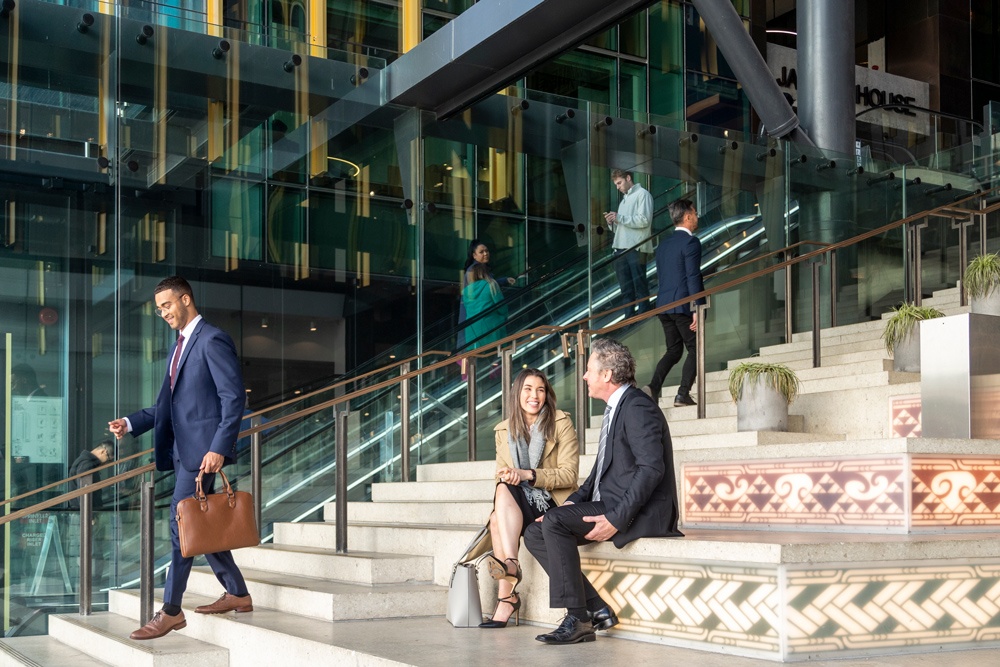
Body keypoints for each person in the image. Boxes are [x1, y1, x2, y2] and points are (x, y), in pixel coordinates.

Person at [108, 276, 252, 641]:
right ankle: (237, 592)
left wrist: (219, 447)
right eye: (159, 309)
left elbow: (233, 398)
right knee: (198, 528)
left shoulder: (211, 339)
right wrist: (129, 423)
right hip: (185, 453)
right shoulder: (181, 345)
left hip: (203, 453)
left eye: (167, 305)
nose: (163, 314)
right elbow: (166, 406)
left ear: (186, 299)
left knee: (181, 527)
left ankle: (171, 611)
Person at [524, 338, 682, 645]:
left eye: (588, 370)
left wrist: (617, 519)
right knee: (535, 531)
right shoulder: (617, 408)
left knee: (554, 523)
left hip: (639, 512)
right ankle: (596, 607)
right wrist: (569, 503)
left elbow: (651, 469)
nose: (584, 376)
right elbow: (597, 474)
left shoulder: (637, 407)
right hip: (610, 502)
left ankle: (579, 618)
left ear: (606, 375)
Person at [479, 369, 580, 629]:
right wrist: (510, 475)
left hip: (552, 501)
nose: (534, 396)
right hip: (518, 499)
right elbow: (500, 473)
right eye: (528, 389)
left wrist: (528, 474)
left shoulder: (560, 422)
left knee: (495, 519)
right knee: (500, 493)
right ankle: (511, 569)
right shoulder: (504, 429)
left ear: (547, 394)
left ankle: (508, 593)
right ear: (517, 394)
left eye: (540, 390)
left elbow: (569, 475)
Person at [642, 198, 704, 407]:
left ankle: (653, 387)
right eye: (694, 213)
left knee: (674, 350)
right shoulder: (691, 242)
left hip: (664, 305)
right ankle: (682, 394)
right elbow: (692, 276)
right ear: (687, 216)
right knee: (696, 348)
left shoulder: (663, 245)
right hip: (683, 305)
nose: (696, 217)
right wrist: (696, 307)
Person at [603, 170, 653, 316]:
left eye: (619, 183)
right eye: (616, 184)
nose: (617, 187)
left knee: (639, 285)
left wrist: (619, 218)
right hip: (621, 248)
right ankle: (629, 319)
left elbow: (644, 220)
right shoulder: (624, 199)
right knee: (626, 289)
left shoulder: (643, 194)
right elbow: (622, 226)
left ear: (628, 178)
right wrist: (612, 222)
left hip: (635, 247)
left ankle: (643, 317)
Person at [457, 239, 515, 349]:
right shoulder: (474, 270)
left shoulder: (473, 272)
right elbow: (487, 290)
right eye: (481, 252)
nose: (486, 254)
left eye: (487, 251)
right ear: (474, 255)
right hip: (489, 326)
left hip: (472, 327)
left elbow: (480, 288)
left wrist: (502, 281)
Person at [461, 263, 508, 349]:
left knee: (479, 358)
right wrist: (505, 316)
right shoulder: (491, 284)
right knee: (496, 358)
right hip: (491, 328)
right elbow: (501, 307)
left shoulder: (466, 291)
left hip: (472, 331)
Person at [68, 440, 114, 510]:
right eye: (108, 459)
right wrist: (91, 517)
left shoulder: (83, 461)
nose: (106, 464)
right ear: (103, 452)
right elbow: (84, 493)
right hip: (85, 513)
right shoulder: (87, 465)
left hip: (82, 512)